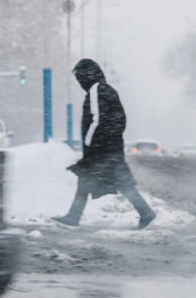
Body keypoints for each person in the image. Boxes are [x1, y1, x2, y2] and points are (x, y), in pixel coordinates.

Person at [53, 59, 157, 230]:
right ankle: (145, 212)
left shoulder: (96, 90)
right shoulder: (107, 90)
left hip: (101, 148)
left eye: (80, 76)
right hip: (110, 146)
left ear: (87, 76)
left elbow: (97, 119)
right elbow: (117, 119)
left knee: (90, 178)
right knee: (116, 181)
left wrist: (89, 143)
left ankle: (74, 216)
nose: (79, 80)